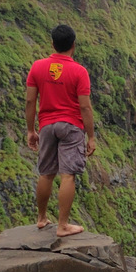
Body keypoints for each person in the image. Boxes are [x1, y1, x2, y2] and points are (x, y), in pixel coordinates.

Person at [25, 24, 96, 237]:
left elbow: (30, 101)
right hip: (71, 127)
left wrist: (31, 130)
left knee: (46, 173)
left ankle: (41, 218)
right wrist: (91, 136)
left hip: (46, 125)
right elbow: (85, 106)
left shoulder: (37, 67)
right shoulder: (79, 71)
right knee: (67, 176)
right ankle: (63, 225)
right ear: (73, 45)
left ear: (52, 44)